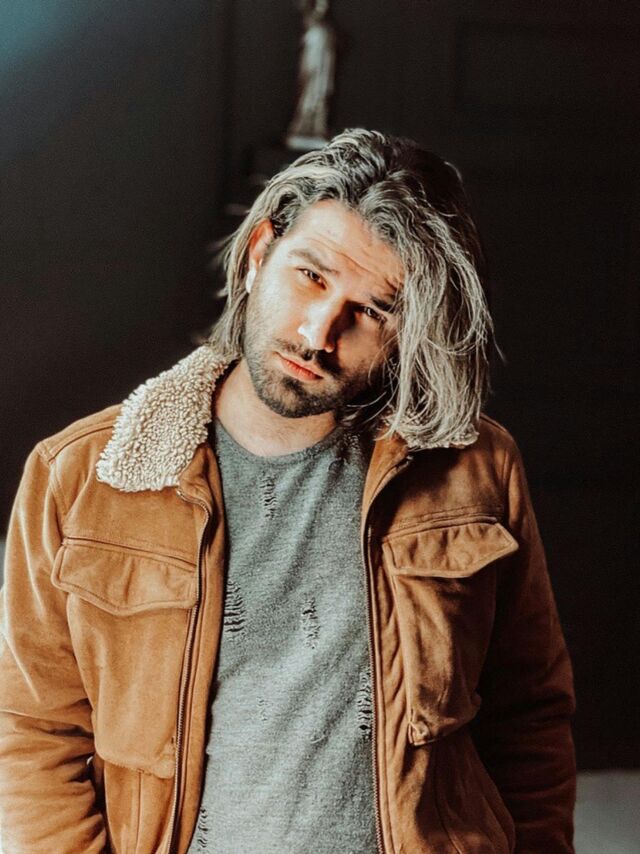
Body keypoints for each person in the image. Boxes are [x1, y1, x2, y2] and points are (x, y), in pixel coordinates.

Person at [0, 128, 577, 853]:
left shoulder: (476, 468)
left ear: (408, 332)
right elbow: (34, 730)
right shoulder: (81, 475)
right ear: (259, 253)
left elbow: (530, 716)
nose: (318, 332)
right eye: (311, 276)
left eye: (373, 310)